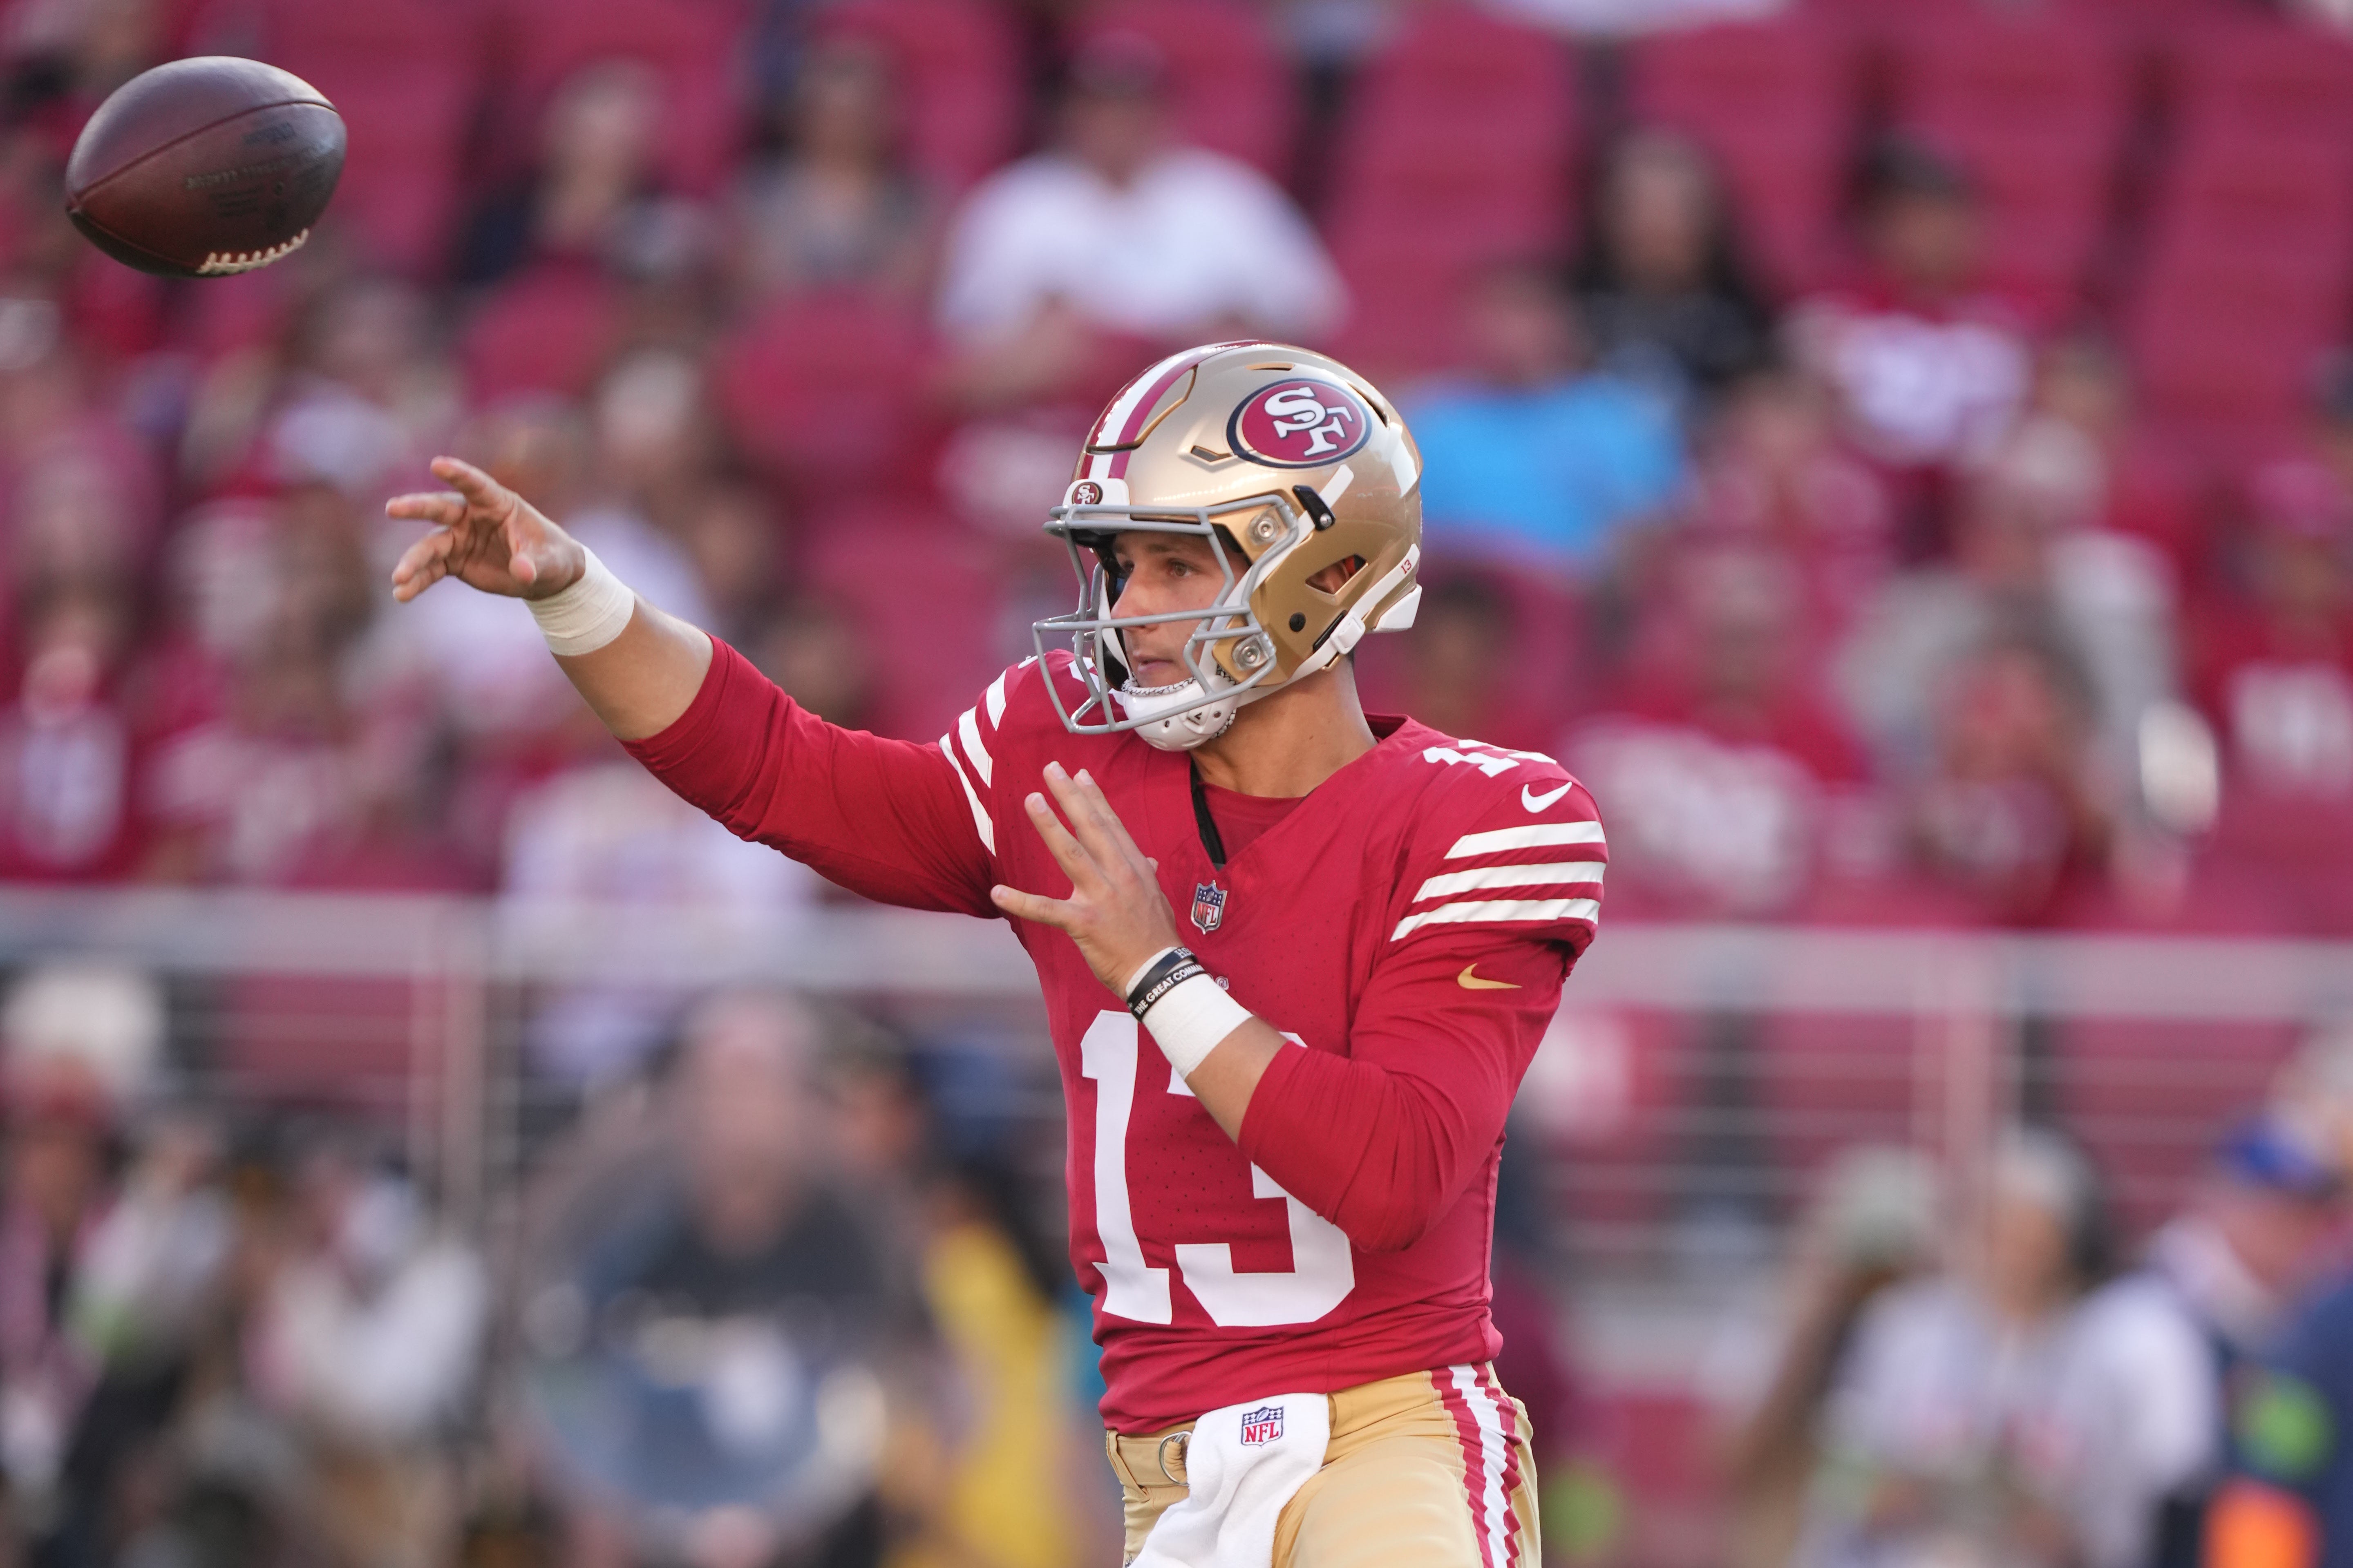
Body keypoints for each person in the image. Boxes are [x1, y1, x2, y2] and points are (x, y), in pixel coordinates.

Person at [388, 340, 1605, 1566]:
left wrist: (1159, 970)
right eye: (1120, 565)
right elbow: (782, 773)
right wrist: (573, 592)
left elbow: (1390, 1173)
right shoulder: (1059, 751)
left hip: (1378, 1433)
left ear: (1325, 573)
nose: (1127, 609)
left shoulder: (1492, 816)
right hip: (1162, 1457)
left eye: (1178, 564)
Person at [934, 38, 1344, 411]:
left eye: (1130, 106)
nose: (1115, 123)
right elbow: (966, 344)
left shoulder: (1232, 196)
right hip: (1050, 412)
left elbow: (1309, 316)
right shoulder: (1013, 201)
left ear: (1163, 111)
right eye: (1097, 107)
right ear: (1066, 114)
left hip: (1197, 409)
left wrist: (1201, 337)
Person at [1409, 261, 1686, 576]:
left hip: (1586, 606)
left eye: (1525, 311)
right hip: (1458, 603)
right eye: (1496, 312)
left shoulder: (1620, 419)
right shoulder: (1426, 422)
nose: (1509, 330)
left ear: (1561, 320)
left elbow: (1654, 527)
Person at [1572, 130, 1774, 415]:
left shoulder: (1752, 324)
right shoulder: (1565, 317)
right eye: (1640, 205)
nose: (1657, 224)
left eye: (1675, 207)